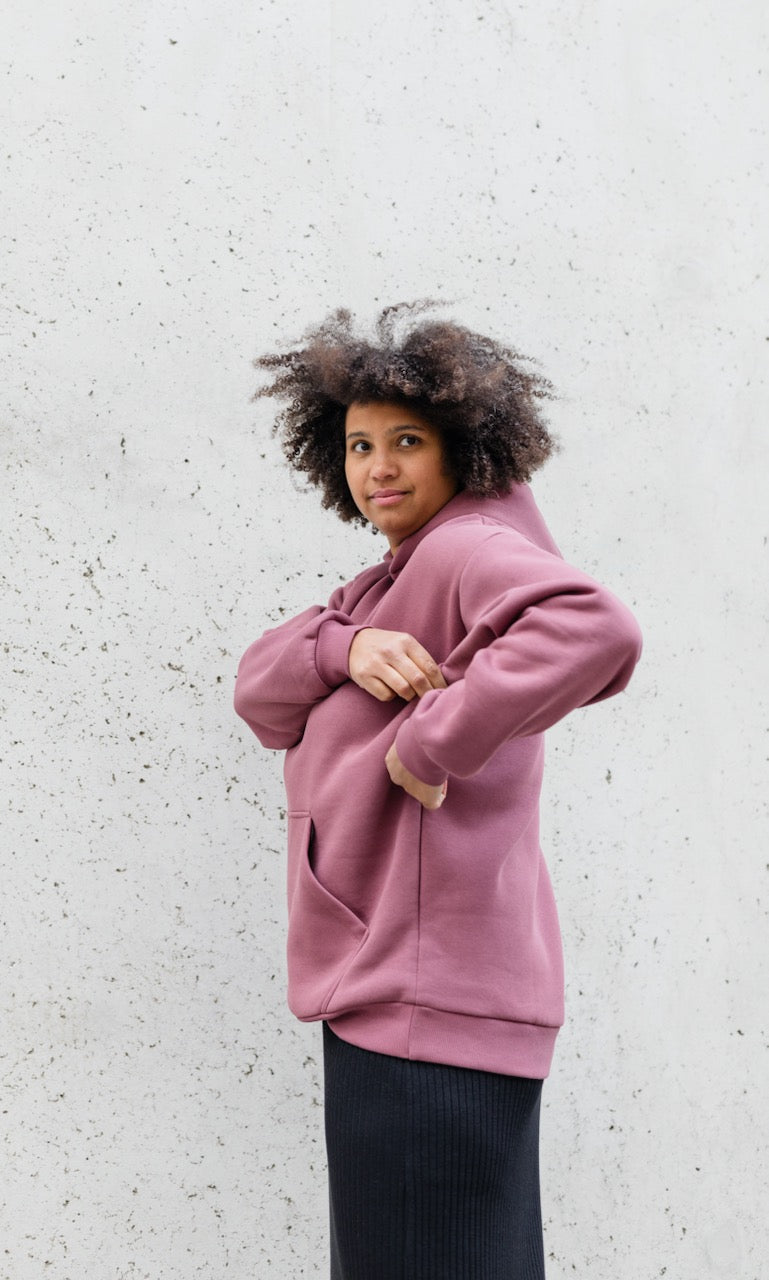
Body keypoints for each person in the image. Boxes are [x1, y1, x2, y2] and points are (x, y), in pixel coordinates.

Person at [234, 303, 642, 1279]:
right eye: (358, 442)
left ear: (464, 445)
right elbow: (258, 687)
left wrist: (434, 739)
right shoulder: (384, 585)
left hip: (424, 1001)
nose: (377, 465)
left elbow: (596, 624)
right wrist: (347, 647)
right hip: (402, 992)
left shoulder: (463, 551)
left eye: (406, 441)